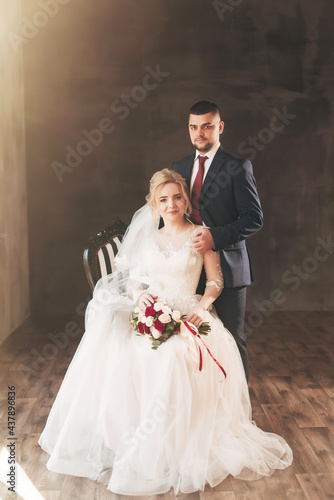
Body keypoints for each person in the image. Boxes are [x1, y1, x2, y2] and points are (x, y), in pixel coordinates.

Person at [38, 169, 291, 496]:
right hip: (149, 313)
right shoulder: (146, 239)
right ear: (154, 205)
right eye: (163, 199)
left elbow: (215, 282)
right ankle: (137, 439)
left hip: (189, 312)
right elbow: (133, 281)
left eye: (176, 197)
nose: (170, 204)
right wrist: (138, 296)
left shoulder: (201, 235)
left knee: (172, 355)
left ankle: (175, 442)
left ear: (185, 200)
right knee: (134, 348)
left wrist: (201, 309)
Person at [172, 101, 263, 382]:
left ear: (219, 127)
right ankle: (204, 410)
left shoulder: (238, 167)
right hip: (188, 269)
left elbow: (253, 218)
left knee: (231, 339)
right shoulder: (179, 167)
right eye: (194, 127)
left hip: (229, 269)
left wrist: (215, 235)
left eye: (207, 126)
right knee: (190, 340)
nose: (200, 133)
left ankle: (238, 413)